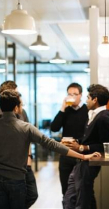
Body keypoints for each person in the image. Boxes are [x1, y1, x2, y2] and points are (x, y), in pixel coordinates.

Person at [0, 89, 100, 209]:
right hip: (17, 181)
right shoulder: (26, 128)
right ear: (16, 108)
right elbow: (52, 145)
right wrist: (83, 156)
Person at [63, 84, 109, 209]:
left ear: (95, 99)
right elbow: (89, 138)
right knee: (72, 197)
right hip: (82, 161)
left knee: (82, 200)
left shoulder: (103, 118)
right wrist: (74, 142)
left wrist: (82, 147)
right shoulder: (93, 114)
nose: (86, 100)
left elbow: (107, 145)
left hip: (90, 162)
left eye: (88, 97)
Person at [0, 80, 38, 208]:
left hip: (23, 163)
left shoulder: (22, 113)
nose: (17, 97)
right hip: (6, 167)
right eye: (14, 94)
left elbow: (27, 137)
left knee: (32, 194)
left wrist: (29, 157)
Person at [50, 82, 88, 195]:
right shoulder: (65, 111)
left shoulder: (87, 110)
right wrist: (62, 108)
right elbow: (54, 128)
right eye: (69, 94)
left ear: (81, 95)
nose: (72, 97)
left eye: (75, 94)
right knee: (66, 191)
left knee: (82, 190)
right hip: (66, 154)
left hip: (81, 153)